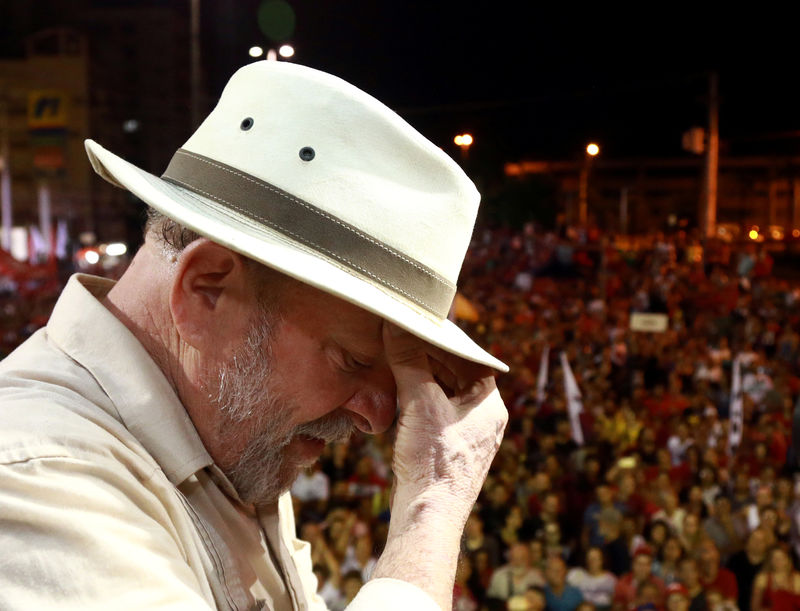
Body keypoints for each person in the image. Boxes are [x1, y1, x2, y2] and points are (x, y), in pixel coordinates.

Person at [0, 61, 509, 610]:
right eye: (352, 359)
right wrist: (429, 510)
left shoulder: (230, 440)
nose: (380, 418)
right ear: (208, 289)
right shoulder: (37, 476)